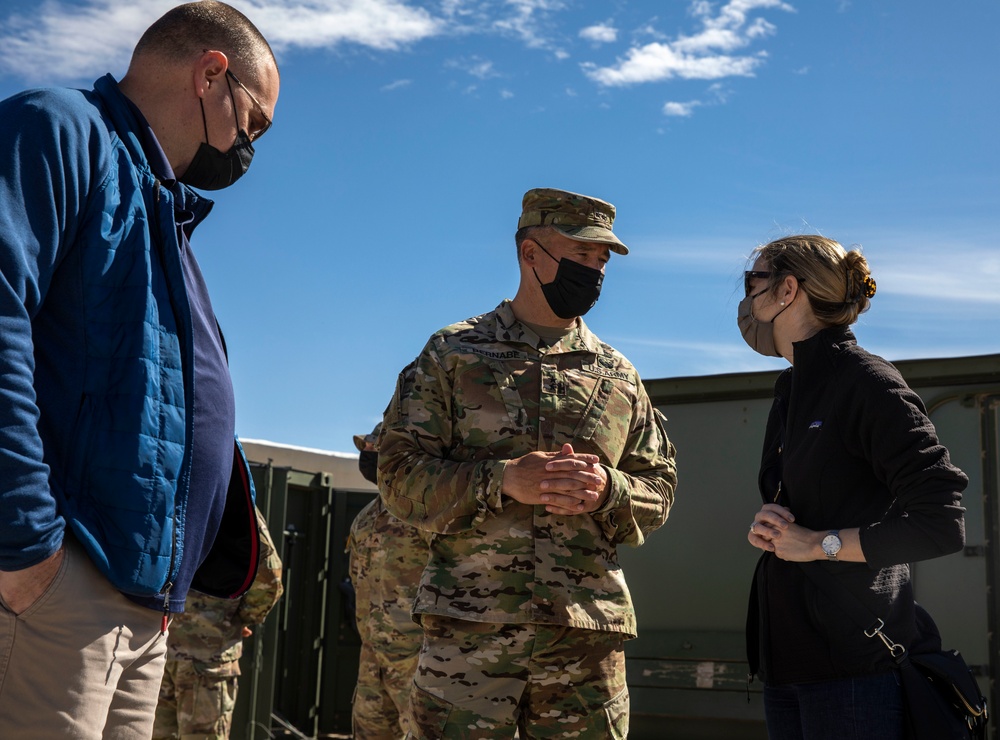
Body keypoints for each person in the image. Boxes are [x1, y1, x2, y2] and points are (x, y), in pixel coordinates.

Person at [0, 3, 279, 737]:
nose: (251, 145)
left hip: (141, 605)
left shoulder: (161, 211)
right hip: (57, 587)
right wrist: (27, 551)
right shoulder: (57, 128)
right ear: (211, 74)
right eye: (256, 121)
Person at [378, 187, 678, 739]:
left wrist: (608, 490)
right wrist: (501, 480)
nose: (593, 270)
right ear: (530, 254)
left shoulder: (618, 374)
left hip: (585, 638)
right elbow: (398, 478)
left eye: (601, 259)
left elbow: (658, 490)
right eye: (580, 254)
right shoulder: (453, 353)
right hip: (469, 638)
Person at [739, 235, 968, 739]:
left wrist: (819, 544)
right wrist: (774, 527)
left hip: (854, 678)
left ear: (787, 291)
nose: (746, 298)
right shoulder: (792, 388)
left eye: (753, 282)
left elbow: (941, 523)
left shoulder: (868, 382)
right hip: (787, 671)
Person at [153, 506, 284, 740]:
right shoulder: (229, 493)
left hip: (153, 647)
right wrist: (239, 617)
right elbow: (269, 574)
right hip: (208, 654)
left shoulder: (164, 483)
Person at [348, 419, 431, 739]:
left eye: (374, 448)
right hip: (372, 659)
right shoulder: (366, 516)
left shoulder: (425, 512)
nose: (367, 455)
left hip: (417, 663)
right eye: (364, 449)